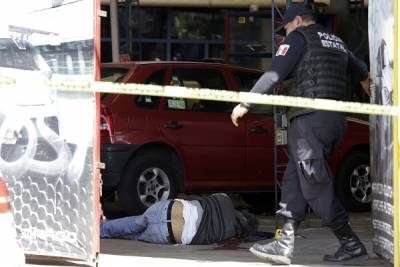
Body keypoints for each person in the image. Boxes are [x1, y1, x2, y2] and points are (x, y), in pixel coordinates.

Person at [230, 3, 370, 265]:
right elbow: (363, 73)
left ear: (296, 21)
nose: (285, 32)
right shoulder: (335, 41)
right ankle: (284, 242)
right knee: (295, 179)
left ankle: (350, 241)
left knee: (315, 184)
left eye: (286, 26)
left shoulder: (297, 39)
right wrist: (369, 89)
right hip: (334, 120)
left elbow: (274, 74)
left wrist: (245, 103)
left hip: (310, 121)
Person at [100, 193, 259, 245]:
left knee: (132, 222)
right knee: (133, 235)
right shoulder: (228, 235)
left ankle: (98, 229)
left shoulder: (224, 199)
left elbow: (204, 198)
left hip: (164, 210)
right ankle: (104, 232)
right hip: (167, 233)